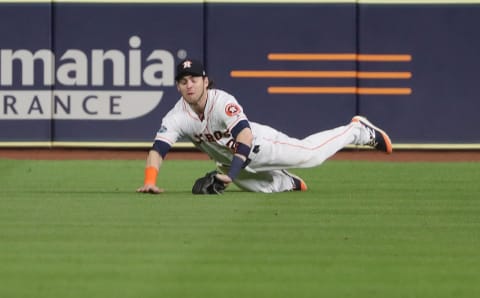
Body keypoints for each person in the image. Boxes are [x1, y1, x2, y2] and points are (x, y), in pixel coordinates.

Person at [136, 58, 392, 194]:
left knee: (311, 155)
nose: (188, 85)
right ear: (178, 86)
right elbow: (157, 150)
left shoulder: (222, 102)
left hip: (259, 145)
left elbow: (245, 137)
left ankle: (357, 130)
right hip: (227, 160)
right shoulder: (177, 115)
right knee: (262, 189)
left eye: (193, 79)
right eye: (183, 81)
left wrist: (232, 175)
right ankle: (287, 183)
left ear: (205, 81)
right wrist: (150, 180)